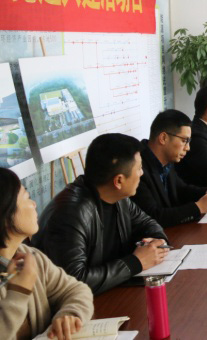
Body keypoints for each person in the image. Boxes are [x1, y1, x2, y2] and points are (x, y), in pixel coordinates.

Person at [33, 134, 169, 295]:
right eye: (139, 168)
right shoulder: (71, 214)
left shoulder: (118, 198)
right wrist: (135, 262)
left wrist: (157, 242)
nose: (142, 173)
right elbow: (74, 281)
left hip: (110, 293)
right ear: (119, 181)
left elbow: (147, 223)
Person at [0, 168, 93, 340]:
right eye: (27, 197)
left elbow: (76, 289)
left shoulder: (29, 256)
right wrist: (19, 291)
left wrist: (70, 314)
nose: (34, 204)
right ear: (5, 213)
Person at [132, 110, 207, 227]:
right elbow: (153, 216)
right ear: (163, 138)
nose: (188, 148)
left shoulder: (167, 160)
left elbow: (181, 190)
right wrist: (199, 207)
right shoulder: (137, 168)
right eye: (184, 141)